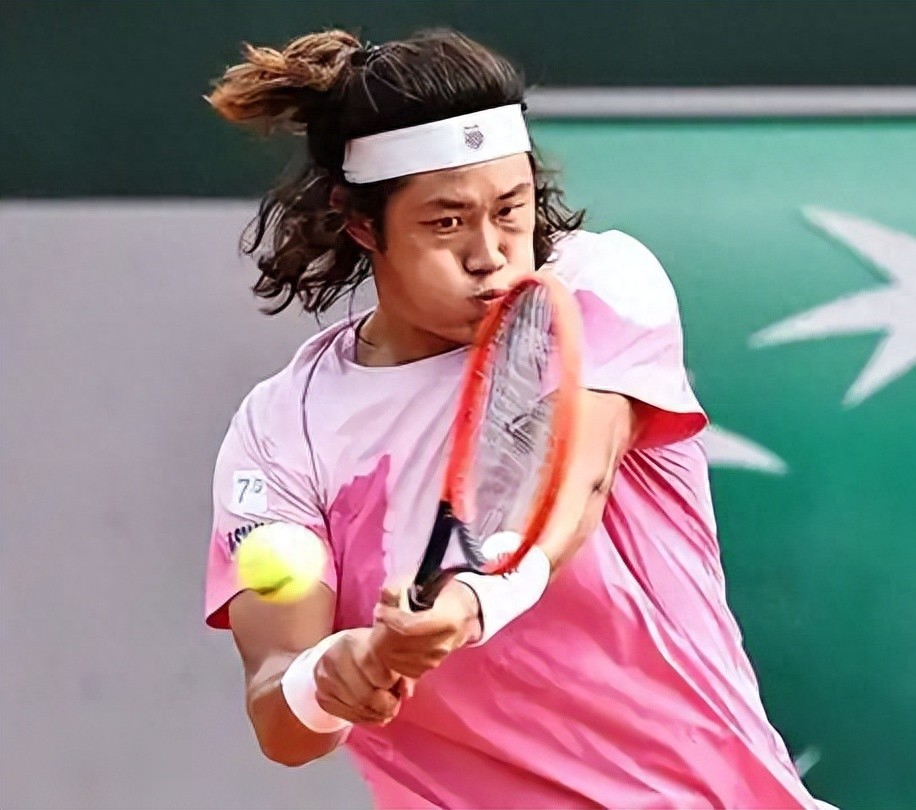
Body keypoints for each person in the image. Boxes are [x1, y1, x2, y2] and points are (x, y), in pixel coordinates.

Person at [204, 27, 824, 809]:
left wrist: (472, 600)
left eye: (510, 210)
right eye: (445, 223)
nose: (491, 253)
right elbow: (279, 713)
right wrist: (334, 676)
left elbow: (574, 483)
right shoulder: (280, 430)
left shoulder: (595, 284)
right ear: (360, 222)